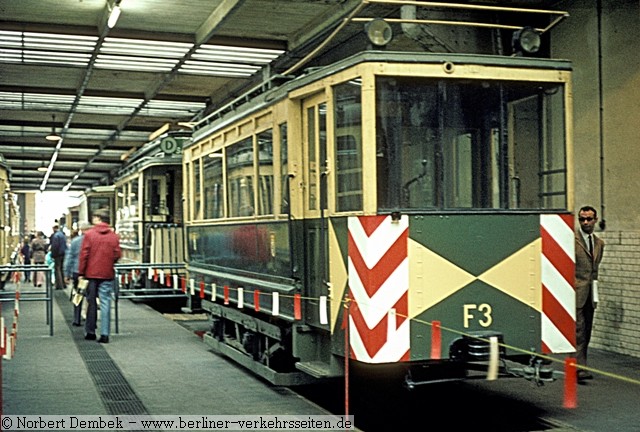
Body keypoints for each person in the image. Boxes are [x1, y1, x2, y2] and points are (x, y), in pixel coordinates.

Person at [78, 211, 121, 343]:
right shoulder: (114, 236)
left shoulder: (89, 235)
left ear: (98, 219)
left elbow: (84, 255)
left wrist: (81, 272)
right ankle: (105, 334)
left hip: (91, 274)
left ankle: (90, 332)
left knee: (91, 302)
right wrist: (109, 262)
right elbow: (117, 254)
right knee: (106, 302)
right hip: (107, 274)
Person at [574, 205, 605, 382]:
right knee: (578, 330)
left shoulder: (600, 243)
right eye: (582, 219)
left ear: (595, 220)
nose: (585, 222)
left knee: (586, 331)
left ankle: (582, 365)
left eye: (588, 219)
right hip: (577, 292)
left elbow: (595, 269)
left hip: (591, 293)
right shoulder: (572, 240)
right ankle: (578, 369)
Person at [64, 222, 93, 327]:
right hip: (90, 273)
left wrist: (66, 274)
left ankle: (76, 319)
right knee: (91, 297)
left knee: (78, 295)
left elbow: (69, 258)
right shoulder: (93, 241)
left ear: (81, 230)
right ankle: (90, 319)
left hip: (77, 272)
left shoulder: (75, 241)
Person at [50, 224, 67, 290]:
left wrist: (53, 254)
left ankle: (59, 285)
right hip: (63, 253)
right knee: (61, 269)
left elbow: (55, 246)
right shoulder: (62, 235)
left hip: (57, 254)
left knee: (57, 269)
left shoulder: (56, 236)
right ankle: (63, 283)